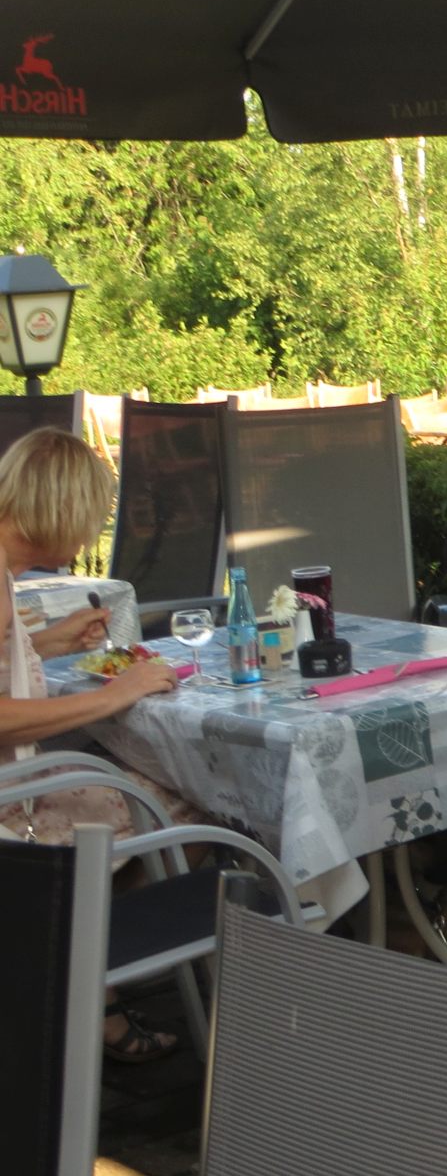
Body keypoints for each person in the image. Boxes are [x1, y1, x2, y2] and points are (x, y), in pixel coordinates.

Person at [0, 426, 200, 1062]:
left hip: (20, 784)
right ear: (60, 509)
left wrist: (49, 640)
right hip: (12, 810)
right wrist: (119, 694)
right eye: (89, 518)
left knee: (140, 780)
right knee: (188, 804)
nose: (89, 537)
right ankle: (79, 975)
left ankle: (80, 975)